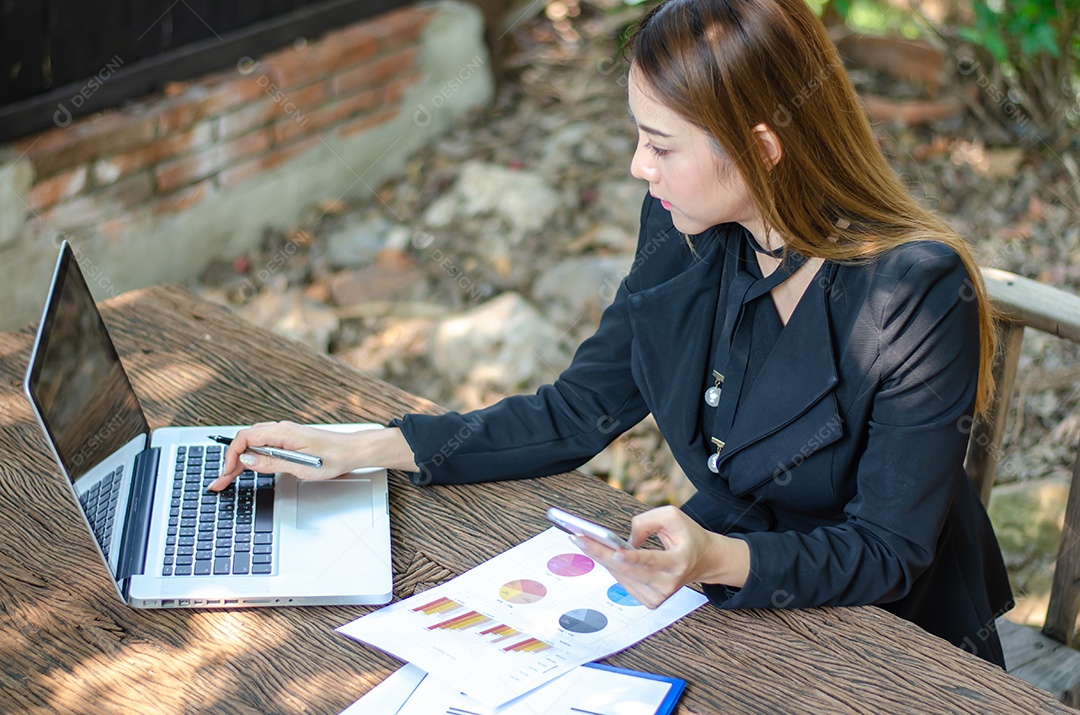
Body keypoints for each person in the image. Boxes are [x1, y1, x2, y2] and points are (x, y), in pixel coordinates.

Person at [211, 0, 1013, 667]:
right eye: (639, 135)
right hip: (721, 596)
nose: (639, 166)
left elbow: (886, 549)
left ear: (762, 149)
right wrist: (358, 449)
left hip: (893, 640)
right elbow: (576, 412)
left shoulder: (911, 288)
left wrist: (716, 559)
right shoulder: (684, 229)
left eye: (660, 144)